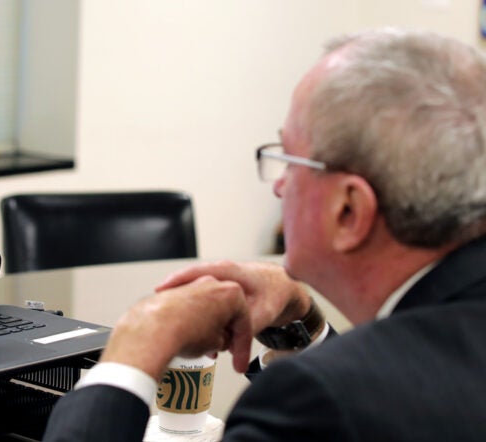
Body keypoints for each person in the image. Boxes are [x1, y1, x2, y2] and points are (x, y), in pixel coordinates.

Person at [43, 28, 486, 441]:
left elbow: (353, 399)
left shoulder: (312, 401)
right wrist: (304, 324)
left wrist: (135, 350)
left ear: (348, 210)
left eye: (291, 160)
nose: (277, 185)